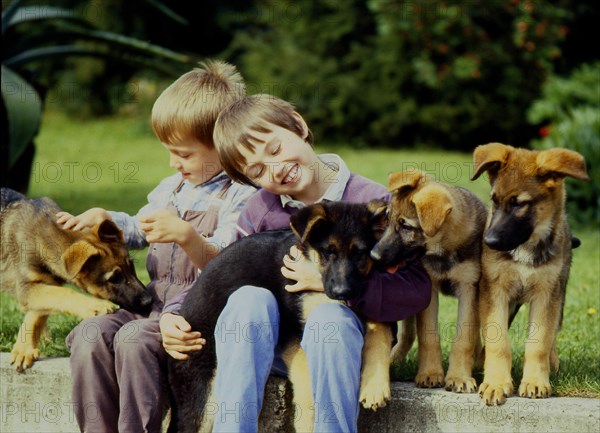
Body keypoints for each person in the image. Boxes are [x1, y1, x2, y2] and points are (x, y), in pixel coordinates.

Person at [209, 94, 431, 433]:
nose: (276, 168)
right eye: (257, 170)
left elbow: (415, 290)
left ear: (299, 126)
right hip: (273, 349)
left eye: (275, 149)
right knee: (245, 300)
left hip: (339, 350)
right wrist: (175, 313)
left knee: (330, 318)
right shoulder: (259, 210)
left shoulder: (375, 205)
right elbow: (223, 271)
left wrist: (329, 284)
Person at [56, 60, 256, 433]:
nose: (172, 163)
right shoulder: (171, 190)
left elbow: (229, 262)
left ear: (222, 144)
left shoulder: (241, 196)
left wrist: (188, 236)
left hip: (194, 321)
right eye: (168, 151)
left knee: (132, 340)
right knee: (89, 334)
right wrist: (105, 220)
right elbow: (137, 228)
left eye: (183, 154)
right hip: (153, 306)